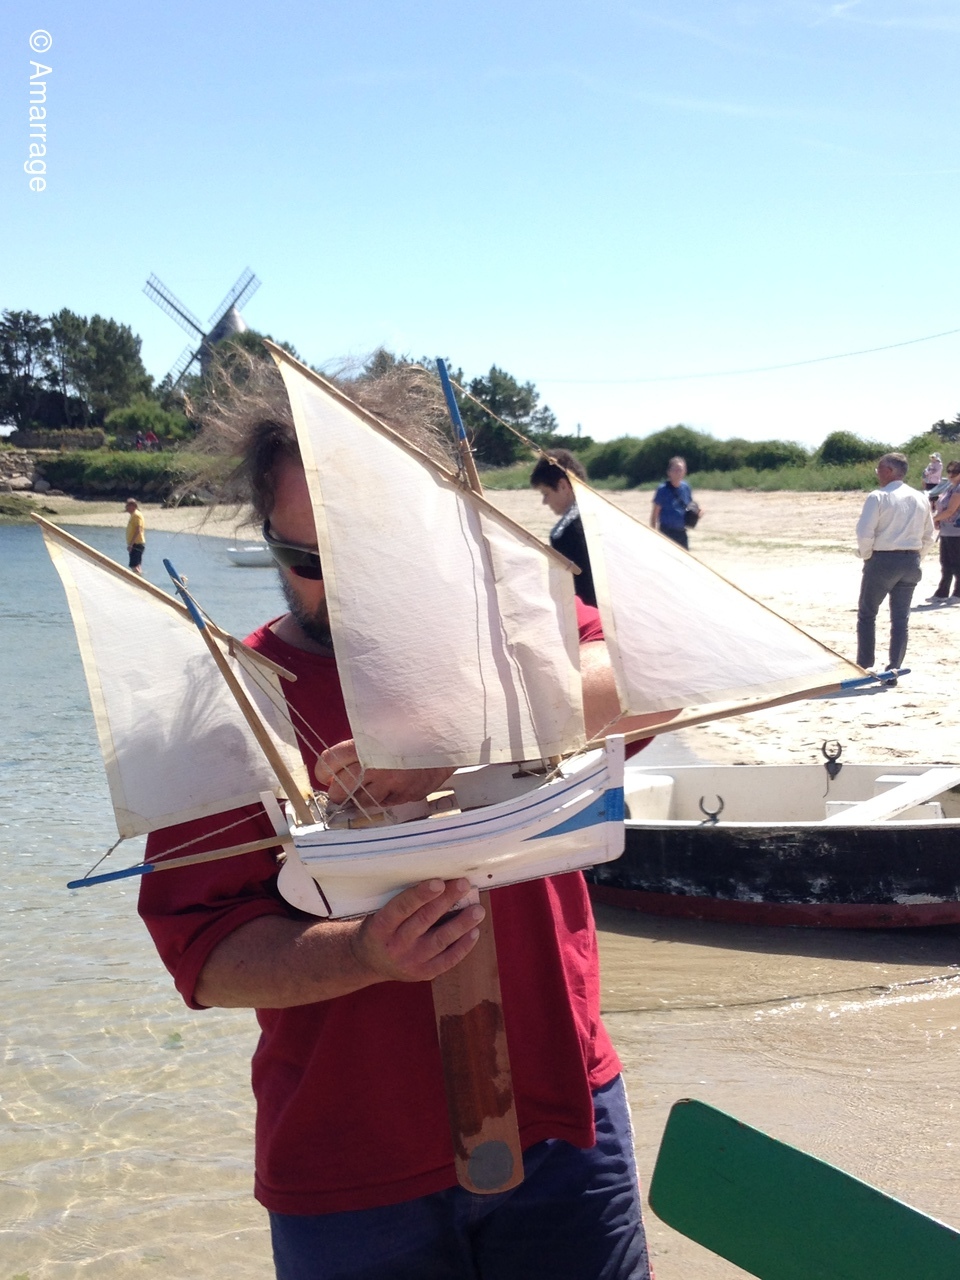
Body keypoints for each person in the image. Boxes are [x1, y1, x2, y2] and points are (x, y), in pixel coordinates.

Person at [138, 375, 652, 1280]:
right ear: (267, 540)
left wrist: (454, 739)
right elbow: (207, 958)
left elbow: (654, 674)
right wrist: (365, 953)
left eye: (370, 552)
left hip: (564, 1123)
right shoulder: (225, 704)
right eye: (306, 558)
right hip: (350, 1166)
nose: (341, 585)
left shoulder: (507, 639)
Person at [855, 452, 934, 673]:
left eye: (879, 469)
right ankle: (894, 666)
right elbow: (929, 536)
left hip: (883, 559)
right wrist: (917, 557)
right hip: (911, 560)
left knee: (867, 613)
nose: (877, 473)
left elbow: (864, 532)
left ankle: (864, 663)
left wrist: (867, 555)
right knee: (900, 618)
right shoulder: (920, 497)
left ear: (889, 471)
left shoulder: (878, 496)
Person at [529, 448, 596, 606]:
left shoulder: (566, 532)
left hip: (587, 611)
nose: (545, 502)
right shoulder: (602, 515)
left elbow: (572, 589)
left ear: (563, 486)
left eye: (546, 493)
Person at [929, 460, 960, 602]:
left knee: (956, 563)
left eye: (955, 472)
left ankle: (958, 593)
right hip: (947, 530)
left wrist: (933, 519)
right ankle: (942, 592)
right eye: (949, 471)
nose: (951, 475)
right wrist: (938, 520)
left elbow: (951, 510)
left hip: (956, 531)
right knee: (945, 563)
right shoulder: (950, 487)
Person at [651, 456, 698, 549]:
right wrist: (653, 534)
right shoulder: (662, 489)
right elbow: (654, 514)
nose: (678, 473)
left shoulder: (686, 487)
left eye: (680, 469)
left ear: (685, 471)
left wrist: (696, 514)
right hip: (666, 532)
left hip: (682, 532)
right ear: (669, 472)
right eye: (675, 470)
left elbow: (689, 506)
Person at [124, 498, 146, 574]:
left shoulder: (137, 515)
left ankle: (137, 579)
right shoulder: (133, 515)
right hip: (136, 544)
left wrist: (131, 544)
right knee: (137, 565)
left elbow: (138, 530)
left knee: (134, 566)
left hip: (136, 544)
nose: (126, 508)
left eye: (128, 506)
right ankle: (140, 578)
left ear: (133, 506)